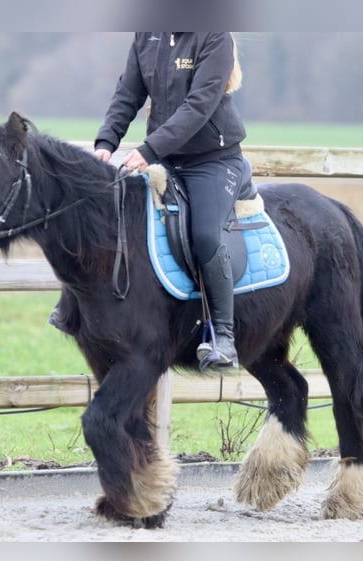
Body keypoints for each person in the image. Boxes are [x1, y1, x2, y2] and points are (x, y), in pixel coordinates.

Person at [52, 33, 250, 369]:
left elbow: (199, 104)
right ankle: (72, 306)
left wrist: (148, 150)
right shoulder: (148, 35)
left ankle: (224, 336)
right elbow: (128, 93)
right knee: (108, 214)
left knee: (205, 234)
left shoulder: (215, 36)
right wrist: (106, 141)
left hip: (212, 162)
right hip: (167, 158)